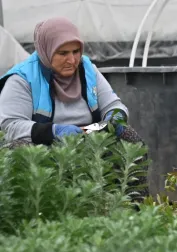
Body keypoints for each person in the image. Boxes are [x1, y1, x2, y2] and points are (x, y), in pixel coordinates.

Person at [0, 17, 148, 197]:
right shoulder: (23, 79)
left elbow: (114, 104)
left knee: (129, 136)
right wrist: (55, 131)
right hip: (44, 146)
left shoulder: (87, 69)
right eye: (63, 53)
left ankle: (133, 209)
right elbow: (10, 125)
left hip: (89, 141)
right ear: (46, 51)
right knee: (17, 150)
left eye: (76, 51)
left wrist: (114, 118)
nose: (72, 60)